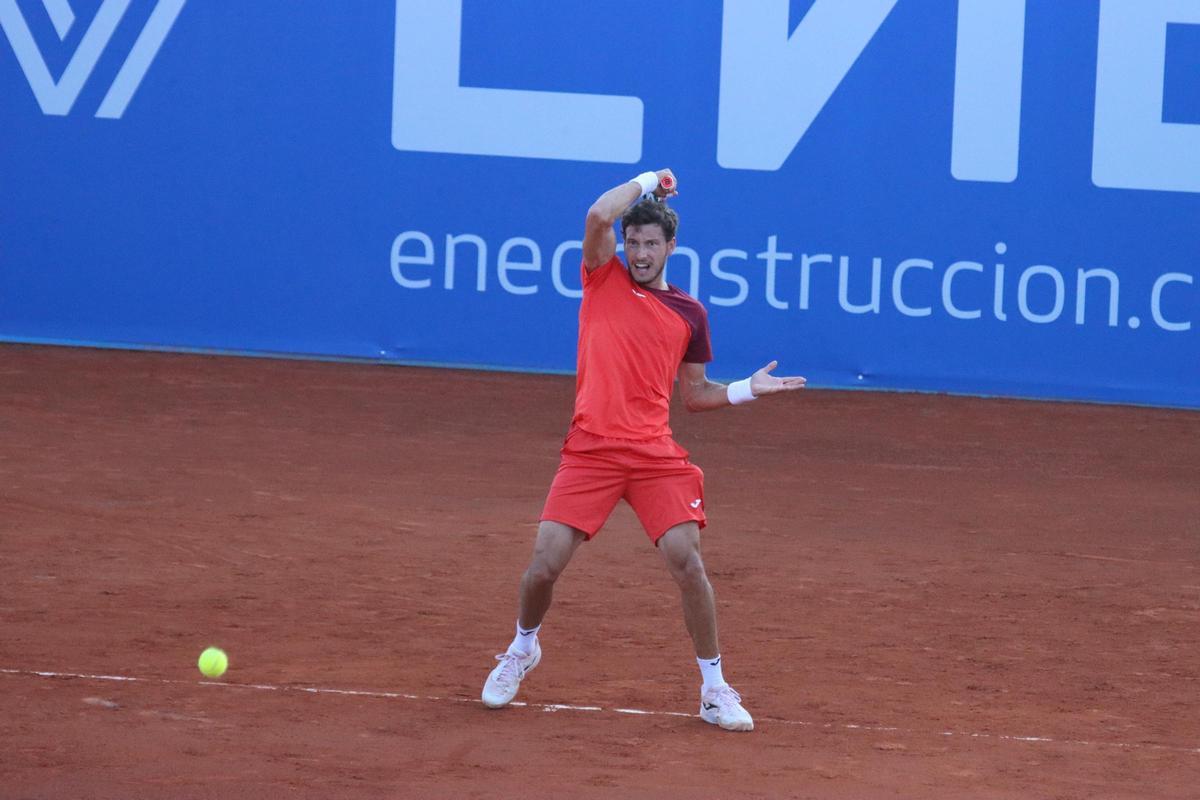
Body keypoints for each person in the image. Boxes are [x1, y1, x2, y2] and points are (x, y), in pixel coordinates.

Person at [481, 169, 806, 732]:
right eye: (633, 243)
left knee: (689, 563)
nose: (639, 253)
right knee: (542, 568)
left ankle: (712, 687)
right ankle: (522, 647)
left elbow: (696, 395)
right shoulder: (601, 277)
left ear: (670, 247)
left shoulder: (690, 314)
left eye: (650, 244)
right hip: (590, 451)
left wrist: (747, 390)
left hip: (654, 455)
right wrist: (650, 179)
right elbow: (597, 216)